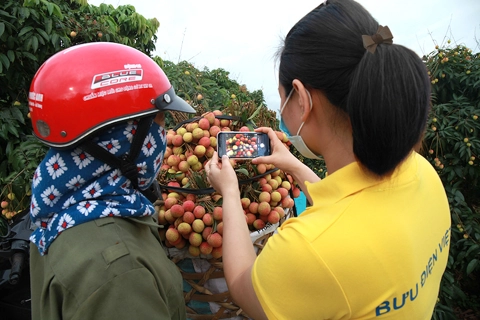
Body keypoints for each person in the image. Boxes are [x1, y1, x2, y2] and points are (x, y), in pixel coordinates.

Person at [205, 0, 451, 319]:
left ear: (303, 99)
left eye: (282, 99)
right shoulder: (423, 173)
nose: (282, 112)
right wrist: (292, 164)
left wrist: (230, 192)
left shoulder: (308, 249)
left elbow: (243, 287)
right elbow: (348, 212)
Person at [28, 42, 196, 320]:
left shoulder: (63, 208)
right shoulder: (121, 273)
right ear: (122, 140)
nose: (164, 135)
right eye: (161, 121)